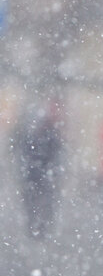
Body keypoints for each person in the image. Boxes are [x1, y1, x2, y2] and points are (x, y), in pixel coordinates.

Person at [14, 101, 64, 238]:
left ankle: (41, 227)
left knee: (41, 201)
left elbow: (55, 153)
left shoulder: (44, 135)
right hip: (36, 174)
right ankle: (36, 226)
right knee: (35, 201)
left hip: (39, 174)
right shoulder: (37, 135)